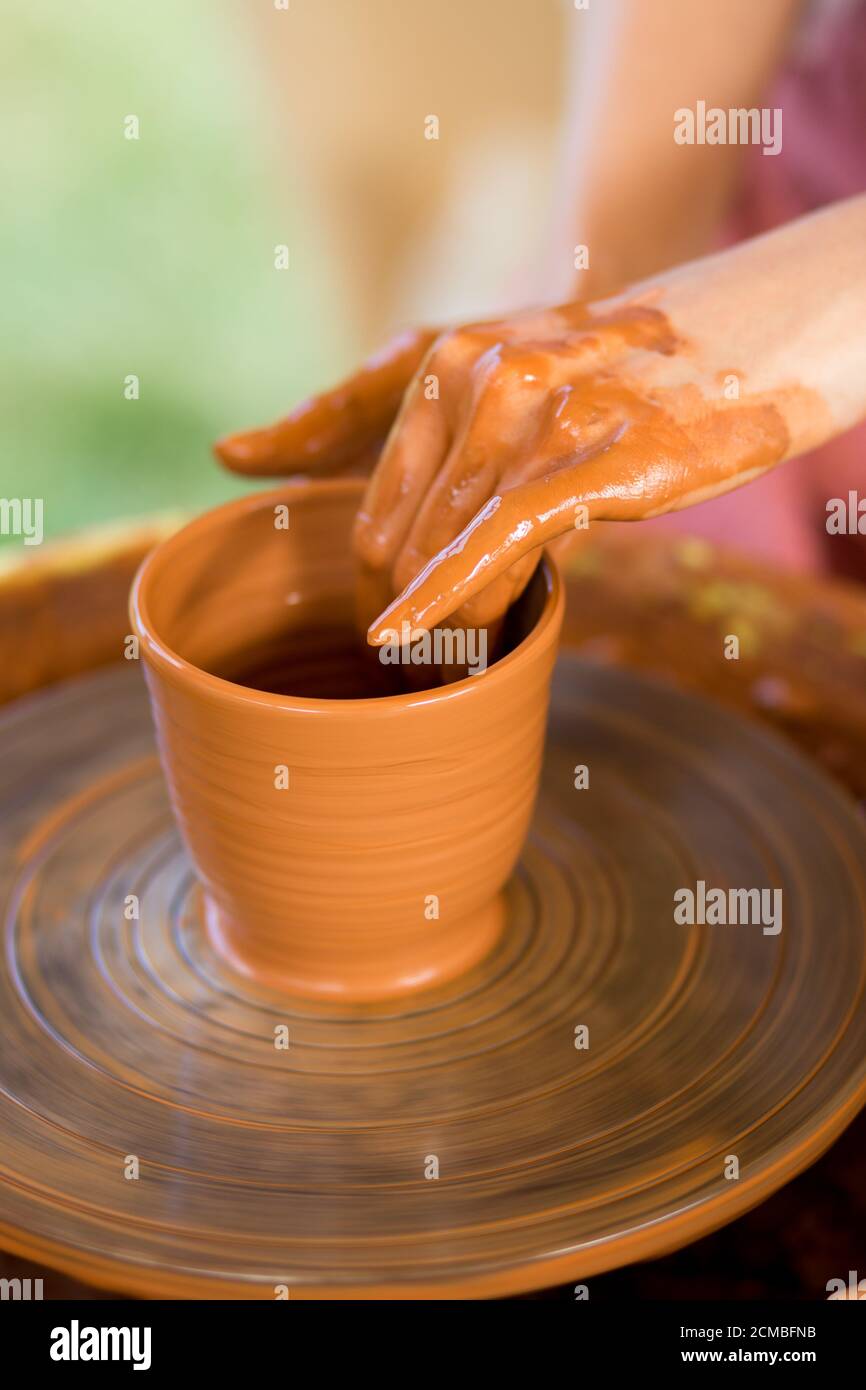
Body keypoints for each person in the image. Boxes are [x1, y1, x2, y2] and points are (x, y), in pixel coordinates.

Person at [214, 0, 866, 642]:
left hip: (800, 318)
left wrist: (815, 309)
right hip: (763, 246)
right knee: (523, 491)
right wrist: (593, 315)